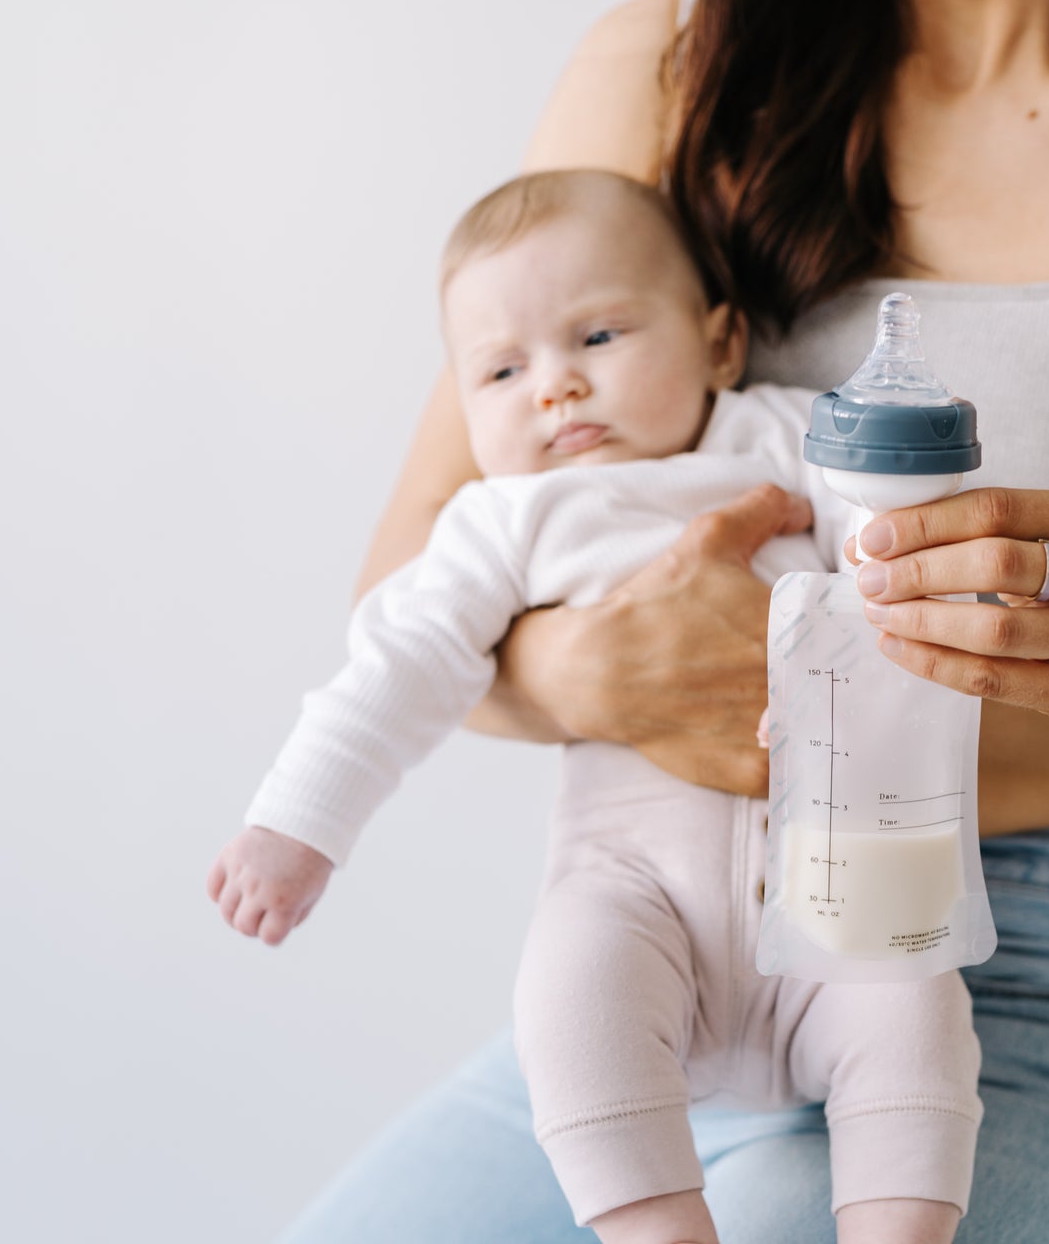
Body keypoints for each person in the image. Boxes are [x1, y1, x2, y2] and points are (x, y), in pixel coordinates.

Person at [281, 0, 1049, 1241]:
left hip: (1009, 976)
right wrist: (613, 671)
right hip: (652, 971)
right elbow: (412, 583)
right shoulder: (672, 66)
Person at [211, 170, 983, 1244]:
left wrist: (885, 558)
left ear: (720, 343)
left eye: (600, 337)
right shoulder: (506, 520)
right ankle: (655, 1225)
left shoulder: (786, 441)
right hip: (636, 893)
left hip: (842, 885)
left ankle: (898, 1225)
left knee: (913, 1006)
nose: (556, 388)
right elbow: (398, 658)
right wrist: (298, 821)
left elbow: (889, 546)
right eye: (502, 368)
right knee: (568, 999)